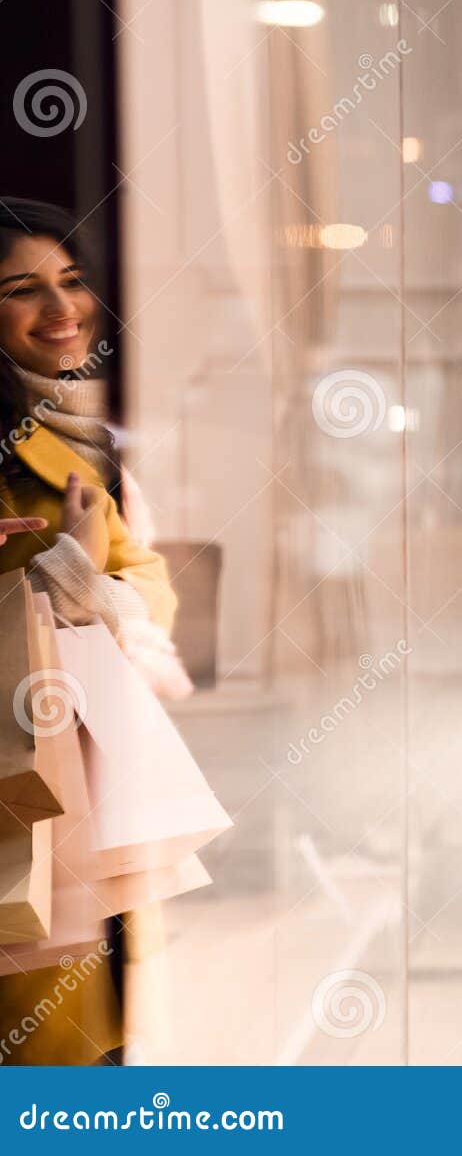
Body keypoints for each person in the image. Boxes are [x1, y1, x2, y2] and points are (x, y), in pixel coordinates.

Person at [0, 196, 182, 1064]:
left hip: (85, 771)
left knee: (93, 1003)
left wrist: (96, 585)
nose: (62, 309)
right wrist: (73, 572)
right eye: (22, 290)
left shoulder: (83, 434)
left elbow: (147, 577)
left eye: (72, 281)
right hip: (23, 779)